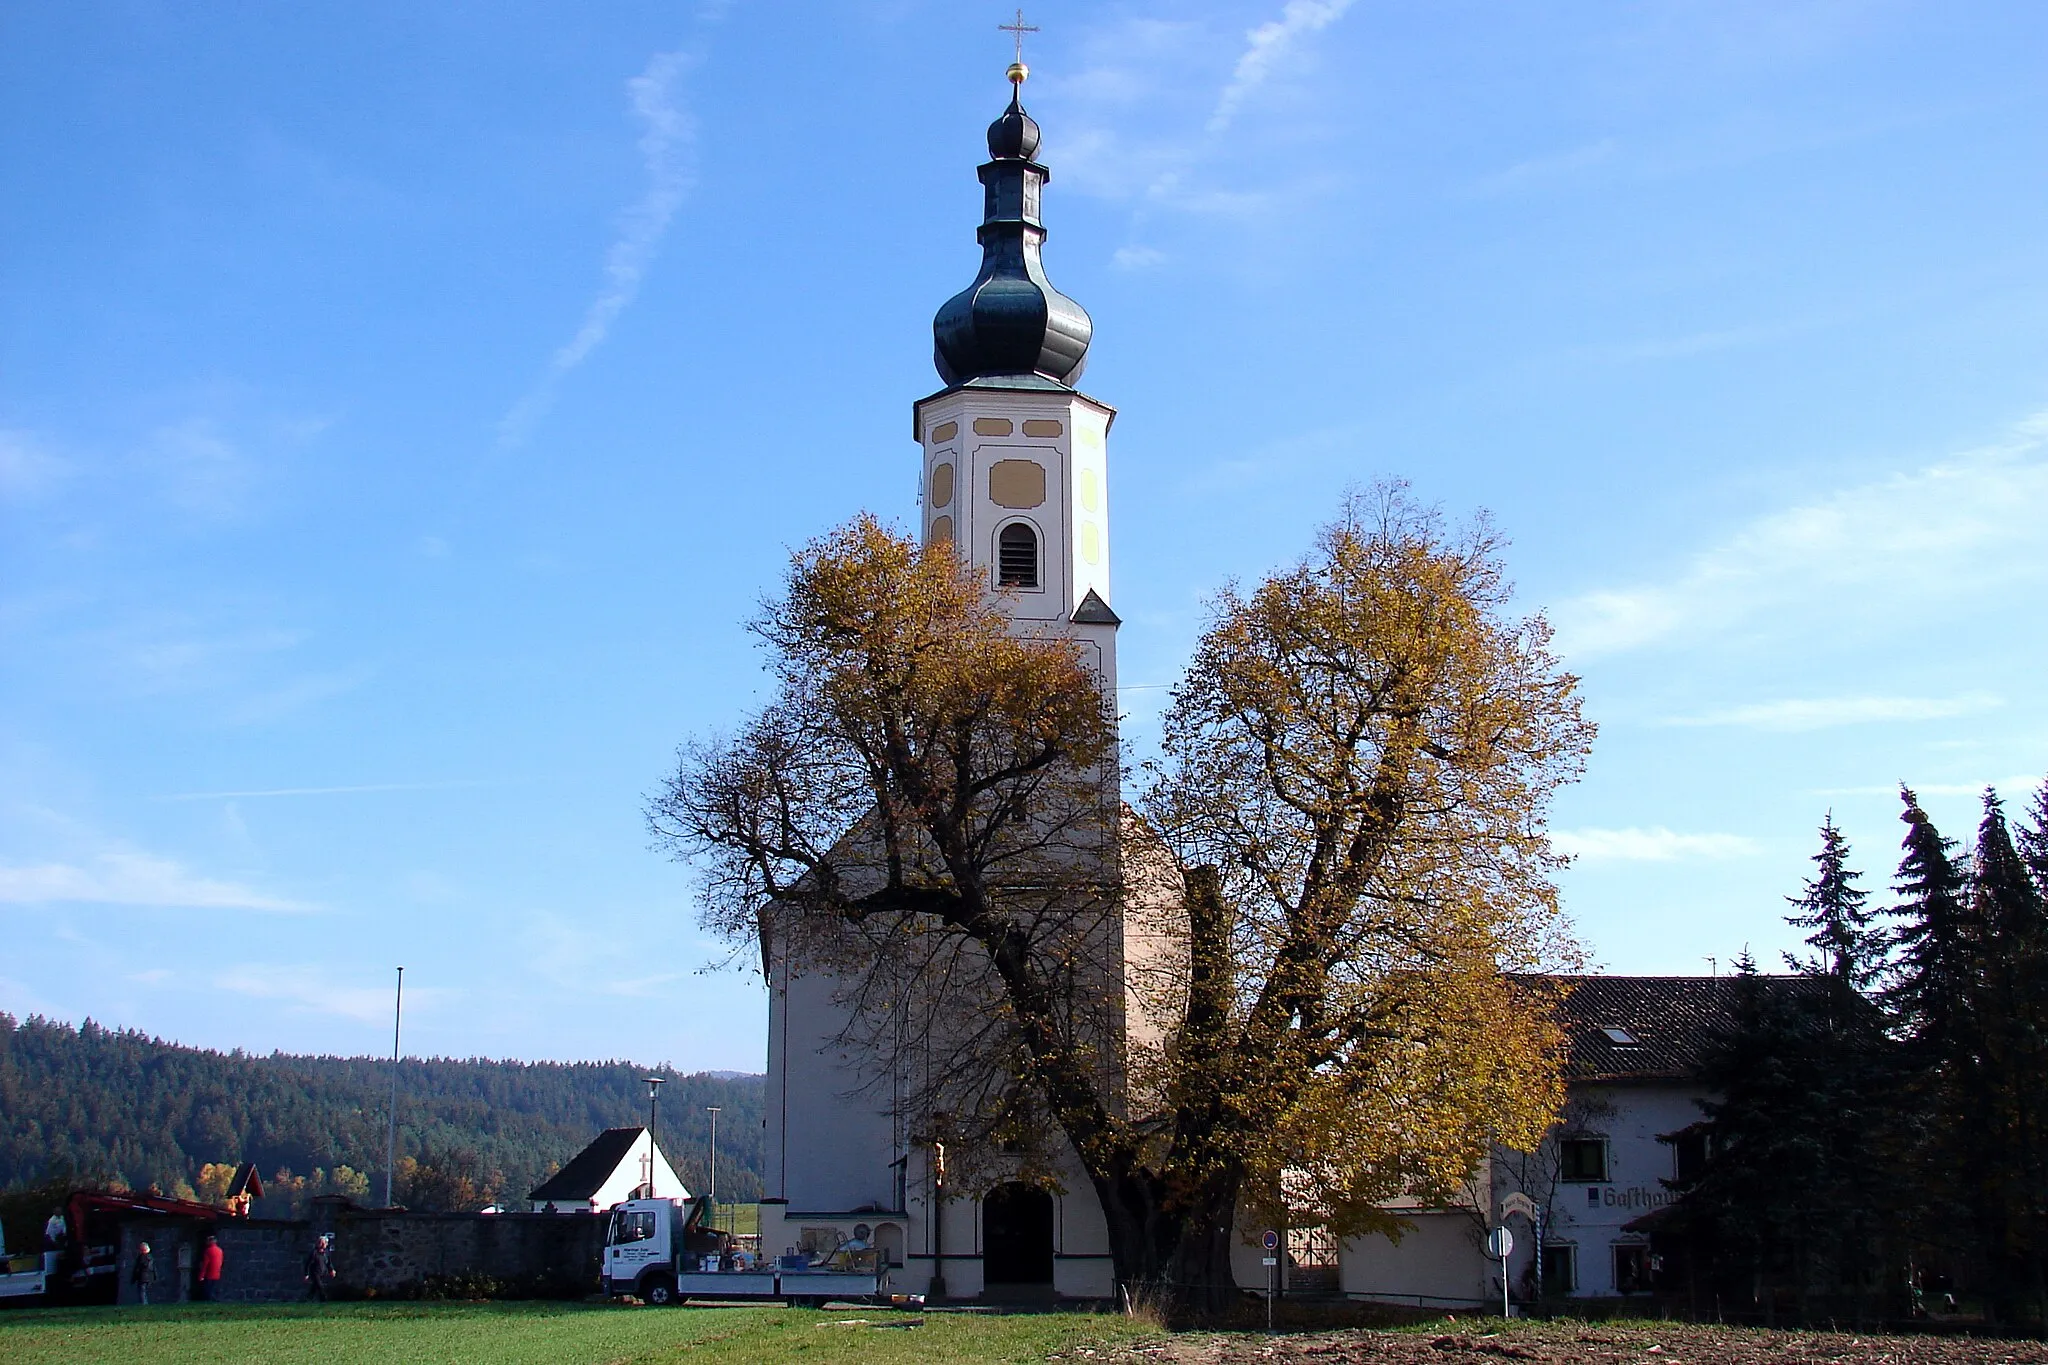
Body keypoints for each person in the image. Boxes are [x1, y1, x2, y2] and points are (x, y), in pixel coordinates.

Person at [303, 1233, 334, 1301]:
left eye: (326, 1243)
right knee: (320, 1287)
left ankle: (307, 1299)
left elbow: (329, 1263)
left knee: (314, 1288)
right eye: (324, 1243)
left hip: (322, 1273)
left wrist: (331, 1270)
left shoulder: (326, 1252)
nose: (326, 1244)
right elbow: (308, 1264)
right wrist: (306, 1274)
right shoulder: (314, 1253)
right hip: (315, 1273)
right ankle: (324, 1300)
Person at [195, 1234, 224, 1302]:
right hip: (217, 1273)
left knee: (207, 1288)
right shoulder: (220, 1250)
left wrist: (201, 1276)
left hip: (209, 1273)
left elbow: (205, 1264)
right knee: (213, 1287)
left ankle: (208, 1300)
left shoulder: (208, 1250)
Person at [130, 1241, 153, 1305]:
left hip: (142, 1277)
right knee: (144, 1291)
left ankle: (144, 1304)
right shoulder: (150, 1257)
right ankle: (145, 1303)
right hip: (148, 1277)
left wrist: (134, 1278)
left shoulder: (142, 1257)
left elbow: (138, 1269)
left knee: (142, 1291)